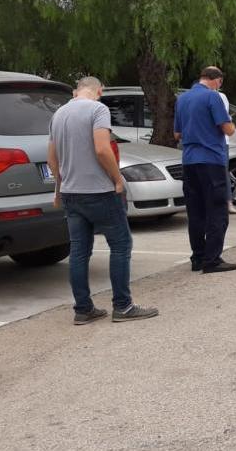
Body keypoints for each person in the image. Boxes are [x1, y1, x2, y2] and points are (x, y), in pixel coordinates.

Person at [49, 76, 158, 324]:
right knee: (120, 245)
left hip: (71, 193)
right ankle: (123, 305)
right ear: (99, 90)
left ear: (77, 91)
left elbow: (52, 158)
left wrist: (59, 188)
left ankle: (83, 309)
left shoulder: (58, 114)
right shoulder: (98, 109)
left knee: (79, 252)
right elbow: (101, 148)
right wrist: (117, 179)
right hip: (99, 191)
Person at [175, 66, 236, 273]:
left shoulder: (182, 99)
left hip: (189, 160)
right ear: (216, 80)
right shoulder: (213, 97)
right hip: (211, 159)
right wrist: (231, 125)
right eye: (220, 82)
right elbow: (227, 128)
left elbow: (177, 134)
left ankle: (198, 257)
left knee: (195, 211)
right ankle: (212, 259)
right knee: (217, 210)